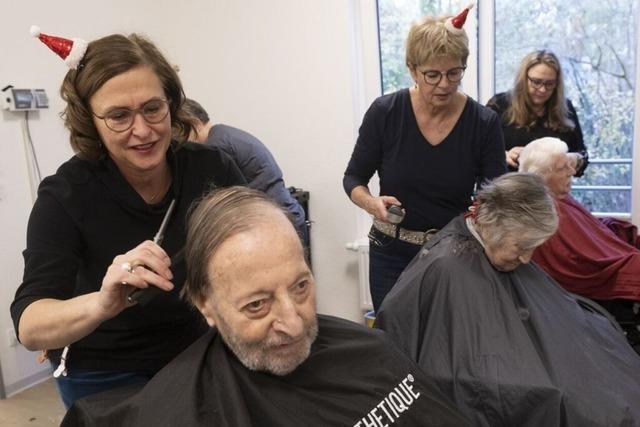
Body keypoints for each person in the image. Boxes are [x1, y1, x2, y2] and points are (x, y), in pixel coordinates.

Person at [61, 186, 469, 426]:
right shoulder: (182, 411)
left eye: (301, 287)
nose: (293, 323)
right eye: (257, 305)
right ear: (206, 305)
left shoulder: (371, 351)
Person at [10, 29, 245, 408]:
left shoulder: (212, 170)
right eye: (119, 115)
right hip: (101, 372)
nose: (142, 130)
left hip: (194, 353)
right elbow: (31, 325)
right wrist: (102, 303)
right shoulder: (66, 195)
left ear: (171, 102)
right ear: (91, 122)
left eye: (153, 108)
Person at [376, 173, 640, 426]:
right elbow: (454, 363)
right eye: (522, 247)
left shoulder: (492, 246)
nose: (526, 259)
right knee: (571, 399)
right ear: (493, 225)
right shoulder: (446, 266)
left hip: (540, 363)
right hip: (513, 382)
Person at [343, 6, 506, 312]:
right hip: (390, 253)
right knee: (395, 345)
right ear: (412, 69)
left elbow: (494, 196)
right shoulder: (386, 113)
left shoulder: (484, 123)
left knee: (447, 343)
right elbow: (353, 178)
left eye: (454, 73)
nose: (444, 84)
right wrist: (370, 204)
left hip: (453, 254)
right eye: (432, 74)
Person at [519, 137, 640, 349]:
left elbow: (588, 236)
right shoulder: (547, 213)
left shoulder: (561, 201)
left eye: (569, 164)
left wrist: (605, 230)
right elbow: (580, 261)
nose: (571, 172)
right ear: (542, 177)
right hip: (592, 282)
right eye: (562, 168)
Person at [183, 98, 309, 246]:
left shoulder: (216, 148)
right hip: (287, 217)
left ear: (195, 124)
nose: (182, 143)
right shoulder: (225, 133)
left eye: (181, 133)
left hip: (275, 226)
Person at [487, 50, 589, 175]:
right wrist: (504, 155)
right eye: (536, 82)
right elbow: (477, 151)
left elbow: (582, 155)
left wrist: (574, 159)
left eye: (549, 84)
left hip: (551, 191)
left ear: (557, 84)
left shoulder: (565, 108)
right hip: (508, 189)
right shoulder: (500, 105)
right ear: (523, 79)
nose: (542, 89)